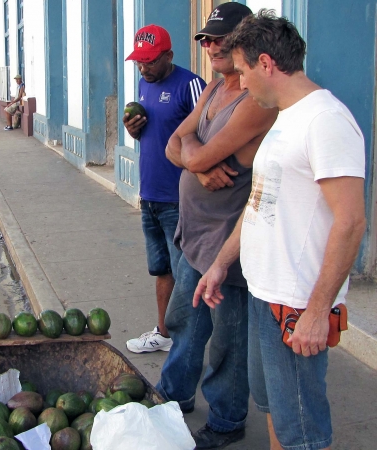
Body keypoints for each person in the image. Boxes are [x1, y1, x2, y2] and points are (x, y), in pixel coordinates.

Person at [195, 10, 366, 450]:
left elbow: (350, 222)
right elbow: (259, 205)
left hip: (296, 304)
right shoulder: (286, 117)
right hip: (262, 292)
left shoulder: (325, 120)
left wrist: (316, 311)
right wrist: (220, 263)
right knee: (275, 411)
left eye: (245, 71)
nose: (243, 83)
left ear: (267, 63)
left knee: (302, 432)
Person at [158, 4, 277, 449]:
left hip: (230, 238)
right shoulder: (212, 90)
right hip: (195, 232)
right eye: (205, 39)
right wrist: (198, 163)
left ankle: (227, 420)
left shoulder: (256, 100)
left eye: (219, 39)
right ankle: (174, 396)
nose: (210, 46)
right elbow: (176, 144)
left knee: (228, 336)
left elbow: (194, 152)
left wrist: (195, 159)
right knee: (184, 319)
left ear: (243, 43)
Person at [123, 24, 206, 353]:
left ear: (169, 55)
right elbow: (152, 136)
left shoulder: (191, 86)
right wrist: (133, 131)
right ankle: (163, 333)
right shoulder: (144, 84)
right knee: (162, 270)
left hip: (180, 200)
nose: (144, 68)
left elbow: (208, 137)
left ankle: (187, 344)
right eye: (140, 62)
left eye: (151, 61)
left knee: (187, 277)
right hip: (151, 197)